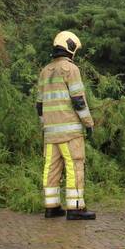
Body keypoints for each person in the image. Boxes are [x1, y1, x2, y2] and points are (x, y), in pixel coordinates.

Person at [35, 31, 96, 221]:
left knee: (51, 168)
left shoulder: (45, 71)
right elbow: (78, 100)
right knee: (74, 166)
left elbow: (39, 105)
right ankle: (75, 207)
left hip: (50, 134)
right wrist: (88, 123)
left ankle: (51, 206)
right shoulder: (71, 69)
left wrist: (46, 126)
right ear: (70, 49)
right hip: (70, 133)